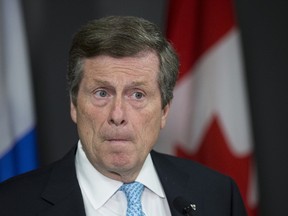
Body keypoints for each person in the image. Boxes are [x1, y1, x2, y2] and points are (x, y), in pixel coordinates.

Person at [0, 16, 247, 216]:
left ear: (164, 111)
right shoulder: (11, 204)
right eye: (101, 93)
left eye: (137, 95)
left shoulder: (217, 195)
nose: (117, 115)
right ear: (74, 105)